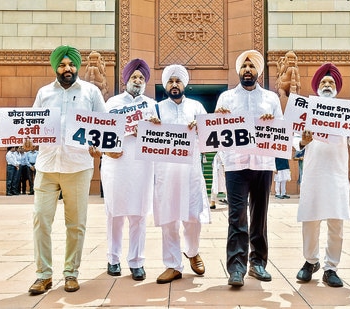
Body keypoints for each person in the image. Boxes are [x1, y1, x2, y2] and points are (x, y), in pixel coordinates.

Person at [27, 45, 106, 295]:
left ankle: (71, 273)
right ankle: (44, 275)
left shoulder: (90, 92)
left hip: (78, 165)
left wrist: (99, 146)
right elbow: (31, 125)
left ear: (77, 66)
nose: (67, 69)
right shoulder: (43, 93)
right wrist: (28, 138)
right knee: (41, 220)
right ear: (55, 68)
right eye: (62, 65)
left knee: (76, 224)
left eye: (71, 64)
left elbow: (103, 125)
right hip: (47, 164)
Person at [295, 62, 350, 288]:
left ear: (336, 87)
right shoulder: (305, 112)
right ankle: (310, 261)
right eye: (324, 82)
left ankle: (331, 268)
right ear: (317, 87)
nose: (327, 84)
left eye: (331, 82)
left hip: (336, 175)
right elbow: (294, 142)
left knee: (336, 223)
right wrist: (303, 141)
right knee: (310, 220)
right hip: (314, 174)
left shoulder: (346, 113)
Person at [215, 50, 282, 287]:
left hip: (263, 164)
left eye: (252, 66)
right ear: (238, 71)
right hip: (235, 164)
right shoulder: (226, 98)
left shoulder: (271, 99)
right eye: (244, 66)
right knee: (237, 216)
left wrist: (271, 122)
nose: (247, 70)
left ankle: (258, 263)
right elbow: (216, 131)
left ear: (258, 71)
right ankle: (236, 267)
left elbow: (281, 131)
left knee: (260, 215)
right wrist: (219, 117)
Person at [147, 64, 210, 284]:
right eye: (170, 81)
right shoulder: (155, 109)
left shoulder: (197, 107)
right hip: (165, 173)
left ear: (185, 84)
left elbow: (209, 139)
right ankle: (173, 264)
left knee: (193, 216)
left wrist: (200, 127)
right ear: (165, 85)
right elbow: (144, 138)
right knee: (168, 218)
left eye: (178, 81)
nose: (175, 85)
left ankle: (192, 252)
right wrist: (150, 125)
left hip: (190, 172)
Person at [100, 58, 157, 281]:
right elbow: (100, 132)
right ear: (126, 79)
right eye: (134, 76)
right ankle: (113, 259)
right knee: (114, 214)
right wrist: (106, 150)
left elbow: (158, 136)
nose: (137, 80)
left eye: (141, 78)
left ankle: (137, 262)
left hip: (142, 165)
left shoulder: (152, 105)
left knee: (138, 214)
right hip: (116, 164)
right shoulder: (112, 103)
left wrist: (143, 131)